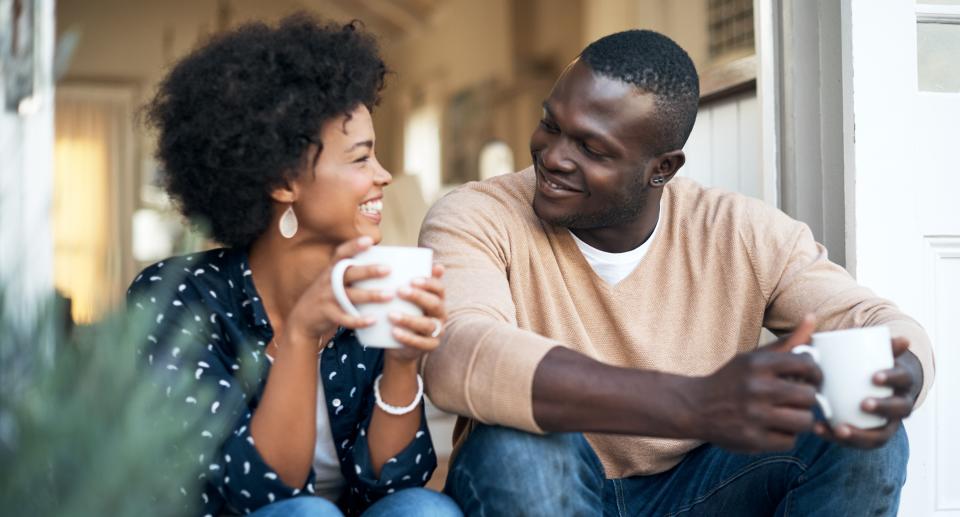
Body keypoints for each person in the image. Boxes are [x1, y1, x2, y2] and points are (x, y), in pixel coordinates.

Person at [419, 29, 934, 516]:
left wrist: (898, 375)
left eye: (591, 149)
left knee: (864, 427)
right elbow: (458, 353)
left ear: (661, 169)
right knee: (514, 442)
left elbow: (876, 321)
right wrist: (695, 403)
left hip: (702, 489)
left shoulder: (741, 231)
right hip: (546, 481)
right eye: (551, 125)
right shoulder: (476, 215)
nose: (552, 157)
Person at [128, 15, 461, 517]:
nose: (384, 175)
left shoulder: (367, 288)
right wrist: (302, 335)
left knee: (423, 510)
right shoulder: (180, 297)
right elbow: (258, 494)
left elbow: (392, 485)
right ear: (284, 181)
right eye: (360, 159)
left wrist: (401, 360)